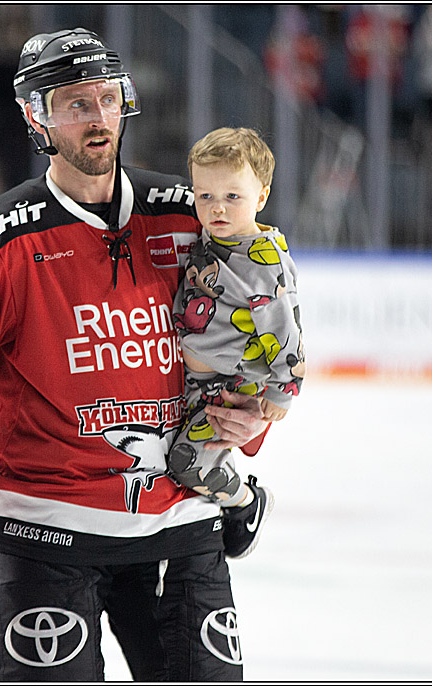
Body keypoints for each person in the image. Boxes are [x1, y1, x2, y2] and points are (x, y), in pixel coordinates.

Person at [0, 28, 269, 681]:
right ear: (37, 117)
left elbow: (249, 334)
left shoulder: (186, 216)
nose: (98, 118)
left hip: (177, 519)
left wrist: (249, 418)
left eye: (107, 99)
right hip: (45, 530)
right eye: (76, 104)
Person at [166, 127, 306, 559]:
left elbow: (285, 330)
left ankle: (245, 501)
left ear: (261, 197)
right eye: (205, 196)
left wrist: (283, 390)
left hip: (226, 389)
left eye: (232, 197)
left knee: (186, 465)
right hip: (194, 382)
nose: (217, 208)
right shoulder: (217, 236)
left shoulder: (263, 263)